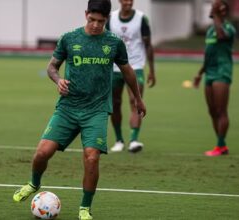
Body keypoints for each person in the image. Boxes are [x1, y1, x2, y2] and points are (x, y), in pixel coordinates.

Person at [12, 0, 146, 219]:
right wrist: (58, 80)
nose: (95, 25)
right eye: (92, 20)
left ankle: (85, 208)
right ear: (86, 14)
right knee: (41, 154)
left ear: (106, 20)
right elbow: (52, 67)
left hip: (96, 110)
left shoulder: (114, 42)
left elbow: (128, 71)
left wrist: (138, 99)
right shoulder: (69, 38)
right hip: (68, 108)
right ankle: (33, 183)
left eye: (100, 22)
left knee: (92, 157)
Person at [105, 0, 156, 153]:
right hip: (114, 68)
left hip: (136, 66)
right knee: (115, 104)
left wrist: (152, 70)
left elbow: (148, 45)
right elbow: (105, 43)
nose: (128, 2)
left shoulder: (141, 18)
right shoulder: (111, 18)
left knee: (135, 101)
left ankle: (134, 140)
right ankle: (119, 140)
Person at [193, 0, 236, 157]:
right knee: (212, 111)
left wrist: (217, 16)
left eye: (221, 9)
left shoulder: (228, 29)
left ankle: (219, 146)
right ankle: (221, 145)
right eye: (216, 9)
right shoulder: (210, 30)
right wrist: (200, 73)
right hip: (209, 72)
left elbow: (221, 35)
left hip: (222, 72)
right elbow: (208, 54)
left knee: (221, 110)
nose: (217, 11)